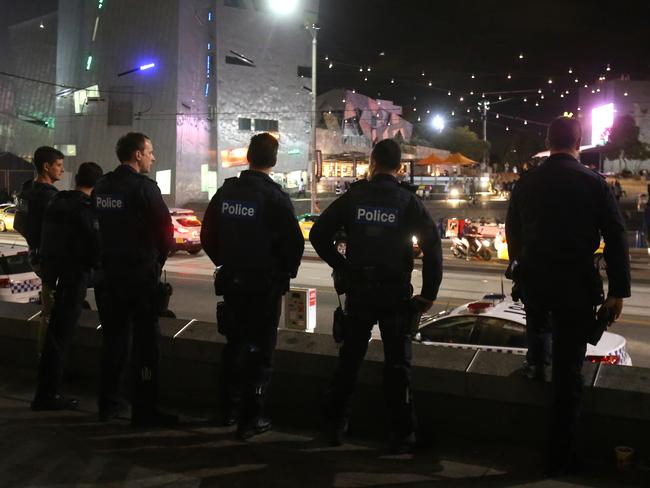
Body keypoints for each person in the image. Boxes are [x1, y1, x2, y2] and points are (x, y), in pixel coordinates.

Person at [506, 117, 630, 476]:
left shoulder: (527, 183)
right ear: (578, 142)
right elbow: (617, 236)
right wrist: (618, 290)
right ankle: (561, 456)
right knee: (568, 373)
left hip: (536, 285)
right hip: (576, 287)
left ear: (549, 140)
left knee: (540, 349)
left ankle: (535, 360)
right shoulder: (593, 183)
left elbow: (512, 231)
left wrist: (519, 266)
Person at [309, 139, 443, 454]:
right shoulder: (408, 202)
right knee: (397, 365)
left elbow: (318, 234)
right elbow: (433, 249)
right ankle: (400, 434)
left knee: (350, 360)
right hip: (395, 294)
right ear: (399, 167)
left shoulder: (354, 197)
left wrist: (343, 267)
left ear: (372, 162)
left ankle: (335, 426)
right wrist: (428, 295)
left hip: (359, 291)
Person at [201, 133, 303, 440]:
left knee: (233, 346)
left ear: (248, 155)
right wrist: (283, 273)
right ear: (273, 160)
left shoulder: (227, 192)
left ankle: (226, 410)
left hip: (232, 282)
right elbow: (293, 243)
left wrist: (225, 260)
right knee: (260, 352)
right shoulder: (274, 197)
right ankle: (251, 418)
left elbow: (208, 235)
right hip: (263, 285)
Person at [93, 132, 177, 427]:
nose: (153, 157)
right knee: (146, 347)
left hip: (109, 276)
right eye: (150, 152)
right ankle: (145, 410)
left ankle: (108, 405)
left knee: (113, 343)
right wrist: (156, 263)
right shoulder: (144, 188)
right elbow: (166, 234)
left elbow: (96, 229)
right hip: (139, 278)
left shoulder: (102, 186)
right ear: (137, 154)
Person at [31, 162, 103, 411]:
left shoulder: (57, 201)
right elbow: (95, 244)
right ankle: (48, 395)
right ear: (96, 185)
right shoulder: (84, 208)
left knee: (54, 334)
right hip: (73, 276)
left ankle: (45, 391)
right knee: (60, 337)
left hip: (54, 274)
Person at [14, 146, 64, 352]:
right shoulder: (50, 197)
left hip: (35, 255)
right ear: (46, 167)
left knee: (47, 309)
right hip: (50, 260)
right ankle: (47, 360)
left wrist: (34, 243)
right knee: (52, 312)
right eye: (59, 165)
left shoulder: (26, 189)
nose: (62, 170)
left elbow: (19, 223)